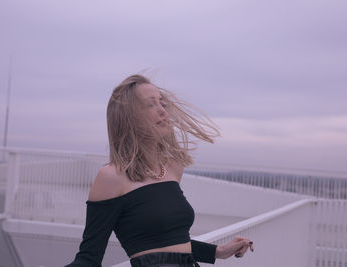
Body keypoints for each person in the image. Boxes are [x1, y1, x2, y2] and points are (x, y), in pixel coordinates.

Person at [65, 74, 254, 267]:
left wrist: (218, 252)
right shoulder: (111, 177)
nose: (163, 111)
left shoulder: (172, 168)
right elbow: (89, 258)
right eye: (151, 104)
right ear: (128, 116)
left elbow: (169, 243)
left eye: (162, 103)